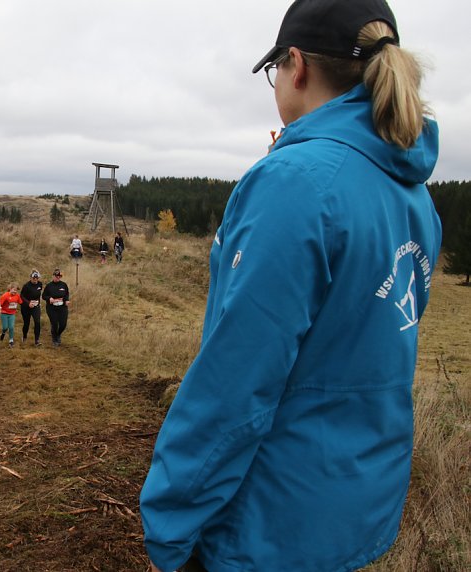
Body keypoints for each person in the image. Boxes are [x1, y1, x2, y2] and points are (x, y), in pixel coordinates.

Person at [140, 2, 442, 571]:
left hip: (266, 526)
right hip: (354, 513)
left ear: (296, 66)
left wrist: (170, 523)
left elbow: (237, 379)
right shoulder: (412, 194)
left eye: (274, 69)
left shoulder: (294, 182)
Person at [42, 268, 70, 347]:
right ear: (53, 276)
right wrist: (49, 298)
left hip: (62, 307)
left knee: (63, 324)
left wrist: (66, 300)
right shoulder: (49, 286)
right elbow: (43, 296)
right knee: (54, 324)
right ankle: (54, 339)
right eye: (57, 276)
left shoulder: (64, 285)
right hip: (51, 308)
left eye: (59, 276)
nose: (58, 277)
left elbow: (66, 294)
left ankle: (58, 334)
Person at [20, 269, 44, 345]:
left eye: (37, 278)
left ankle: (37, 340)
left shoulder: (40, 284)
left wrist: (38, 302)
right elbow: (21, 296)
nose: (35, 279)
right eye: (34, 278)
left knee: (37, 322)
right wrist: (28, 303)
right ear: (30, 277)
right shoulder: (26, 286)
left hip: (35, 306)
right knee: (26, 323)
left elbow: (38, 294)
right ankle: (24, 336)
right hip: (26, 307)